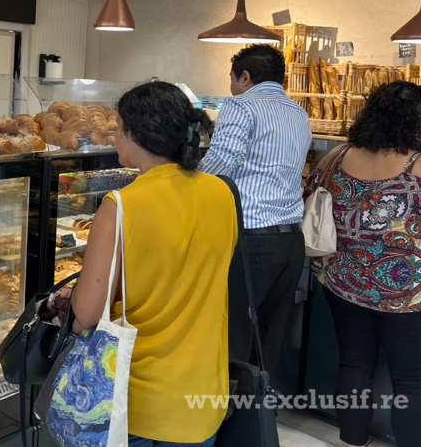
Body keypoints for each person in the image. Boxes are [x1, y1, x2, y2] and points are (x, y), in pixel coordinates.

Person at [70, 81, 237, 447]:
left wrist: (69, 297)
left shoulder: (121, 205)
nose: (114, 137)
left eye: (118, 128)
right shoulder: (222, 193)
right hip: (203, 393)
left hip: (137, 400)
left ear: (135, 133)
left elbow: (87, 314)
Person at [303, 81, 421, 447]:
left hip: (343, 282)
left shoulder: (337, 156)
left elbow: (309, 196)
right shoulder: (418, 165)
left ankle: (353, 440)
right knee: (413, 380)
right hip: (406, 294)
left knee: (354, 364)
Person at [199, 44, 312, 374]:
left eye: (232, 79)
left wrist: (186, 182)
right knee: (267, 340)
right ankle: (258, 419)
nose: (231, 87)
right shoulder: (298, 113)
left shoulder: (240, 105)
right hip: (291, 243)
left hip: (252, 240)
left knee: (233, 336)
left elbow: (222, 161)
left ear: (245, 77)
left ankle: (228, 420)